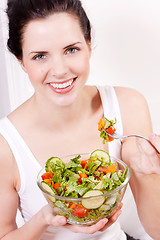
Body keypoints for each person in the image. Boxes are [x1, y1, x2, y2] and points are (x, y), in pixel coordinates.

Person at [0, 0, 159, 239]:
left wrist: (149, 173)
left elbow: (156, 231)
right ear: (21, 60)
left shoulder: (128, 105)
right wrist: (45, 217)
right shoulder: (6, 144)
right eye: (40, 56)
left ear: (89, 45)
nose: (60, 70)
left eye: (71, 50)